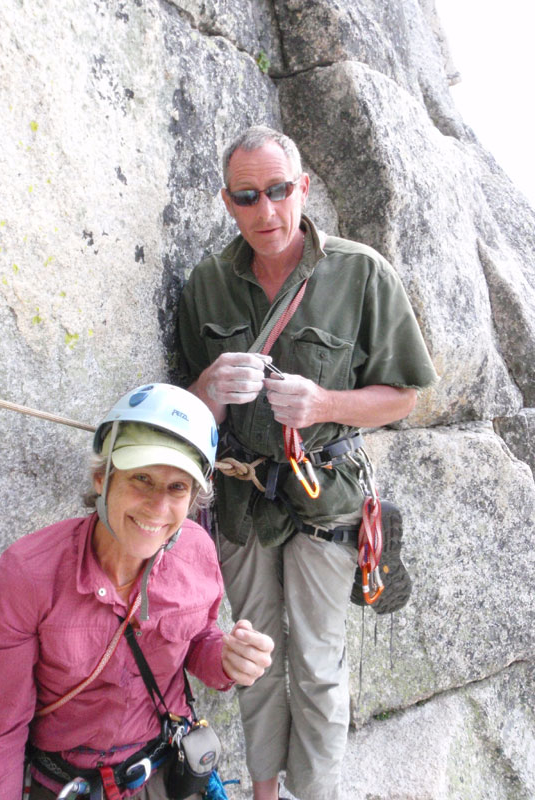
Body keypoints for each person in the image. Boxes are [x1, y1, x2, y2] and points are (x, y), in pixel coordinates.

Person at [177, 125, 438, 800]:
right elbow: (183, 410)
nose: (266, 212)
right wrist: (209, 388)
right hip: (239, 497)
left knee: (319, 664)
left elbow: (403, 396)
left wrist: (323, 401)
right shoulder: (207, 286)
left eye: (279, 191)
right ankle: (266, 792)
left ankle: (316, 794)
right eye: (247, 196)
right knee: (253, 656)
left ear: (303, 188)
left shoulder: (360, 273)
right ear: (227, 202)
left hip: (327, 496)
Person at [0, 382, 274, 800]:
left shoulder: (196, 549)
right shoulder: (28, 574)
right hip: (68, 786)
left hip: (164, 774)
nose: (157, 507)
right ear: (101, 478)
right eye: (141, 478)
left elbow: (197, 639)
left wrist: (228, 658)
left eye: (177, 487)